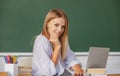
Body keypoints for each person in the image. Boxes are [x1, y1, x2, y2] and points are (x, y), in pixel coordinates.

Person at [32, 9, 84, 76]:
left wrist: (78, 69)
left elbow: (70, 58)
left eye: (63, 27)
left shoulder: (61, 38)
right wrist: (57, 47)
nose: (60, 30)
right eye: (56, 25)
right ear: (47, 24)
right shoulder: (41, 41)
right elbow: (48, 73)